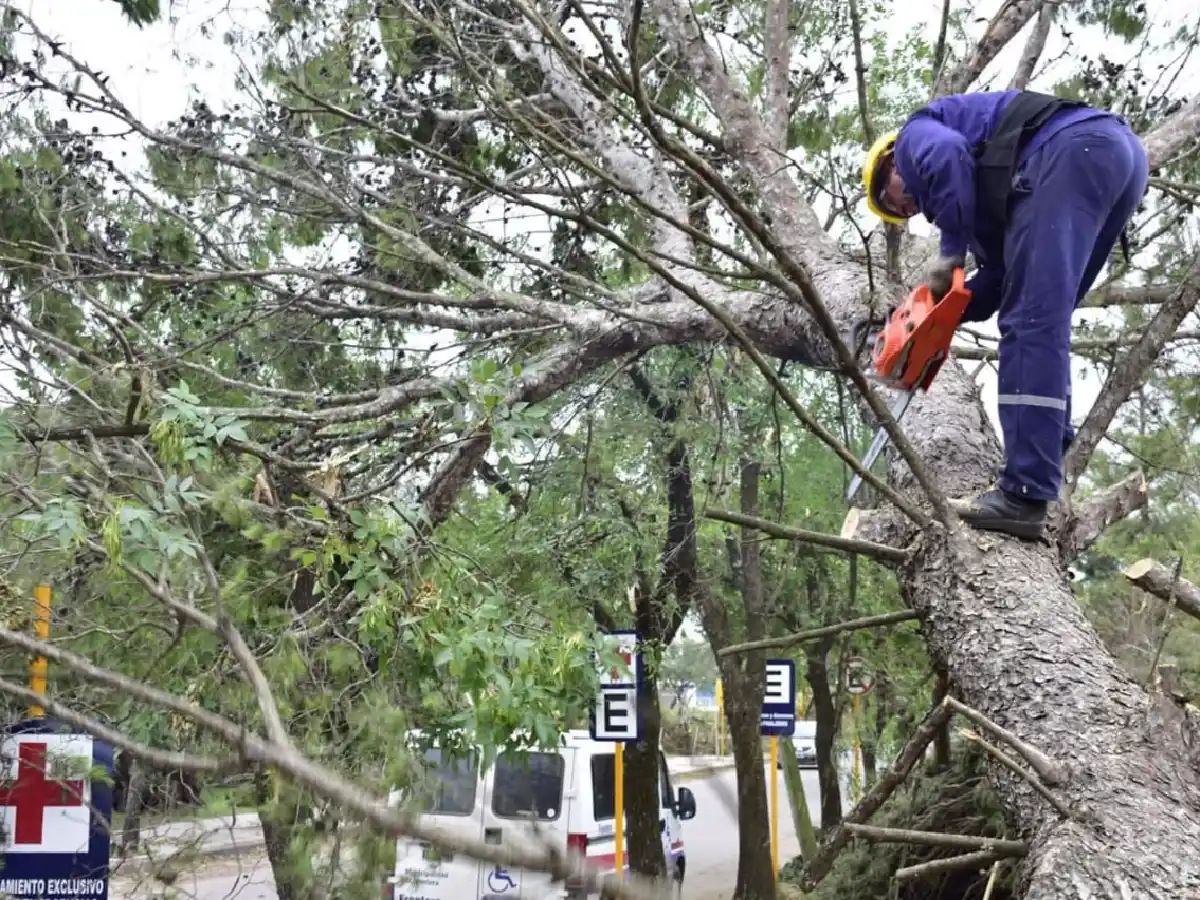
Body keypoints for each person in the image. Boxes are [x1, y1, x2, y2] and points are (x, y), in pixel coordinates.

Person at [861, 90, 1148, 539]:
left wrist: (950, 256)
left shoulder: (915, 136)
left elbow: (948, 157)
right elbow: (999, 276)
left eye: (892, 198)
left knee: (1031, 322)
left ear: (891, 163)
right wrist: (944, 315)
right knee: (1044, 312)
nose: (905, 209)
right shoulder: (989, 206)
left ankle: (1024, 493)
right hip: (1116, 156)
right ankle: (1048, 441)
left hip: (1068, 150)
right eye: (898, 213)